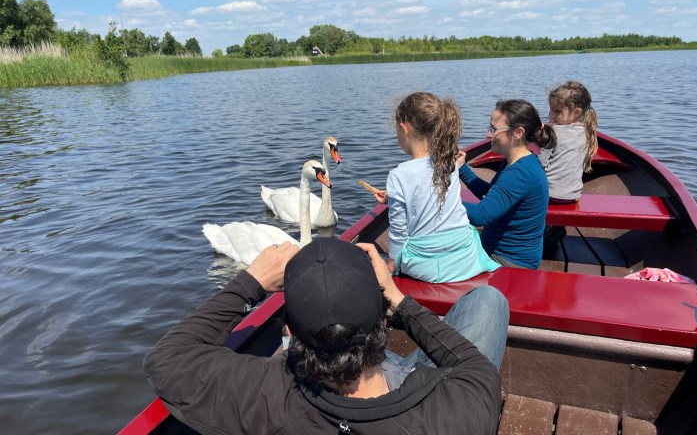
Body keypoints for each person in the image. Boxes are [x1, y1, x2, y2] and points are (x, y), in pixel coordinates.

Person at [144, 237, 509, 435]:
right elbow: (473, 366)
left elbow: (166, 359)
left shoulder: (265, 395)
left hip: (313, 390)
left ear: (289, 332)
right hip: (396, 390)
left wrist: (250, 282)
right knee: (489, 300)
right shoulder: (462, 407)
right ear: (383, 318)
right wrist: (398, 299)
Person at [371, 92, 499, 282]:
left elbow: (398, 232)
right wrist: (393, 196)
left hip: (426, 267)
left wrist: (392, 265)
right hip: (465, 257)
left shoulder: (398, 175)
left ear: (404, 129)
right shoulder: (448, 164)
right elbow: (430, 192)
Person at [457, 99, 557, 269]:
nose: (488, 134)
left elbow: (482, 214)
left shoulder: (520, 174)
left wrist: (438, 201)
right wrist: (461, 169)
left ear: (518, 133)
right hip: (499, 253)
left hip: (509, 262)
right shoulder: (517, 161)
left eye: (494, 129)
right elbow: (492, 196)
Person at [539, 80, 598, 204]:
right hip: (572, 196)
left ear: (576, 112)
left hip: (548, 194)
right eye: (551, 110)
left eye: (557, 111)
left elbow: (539, 163)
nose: (552, 114)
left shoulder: (553, 132)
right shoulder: (587, 132)